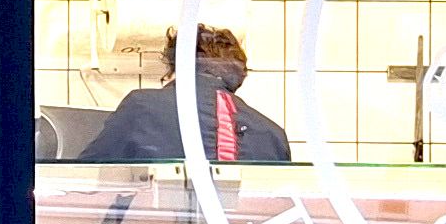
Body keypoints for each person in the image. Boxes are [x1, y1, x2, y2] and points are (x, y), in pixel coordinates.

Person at [85, 26, 294, 164]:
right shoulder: (274, 135)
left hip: (159, 219)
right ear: (240, 76)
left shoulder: (141, 107)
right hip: (238, 222)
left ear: (174, 65)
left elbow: (87, 176)